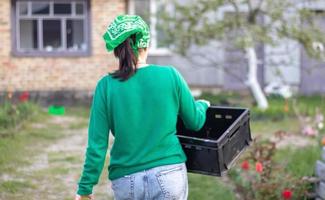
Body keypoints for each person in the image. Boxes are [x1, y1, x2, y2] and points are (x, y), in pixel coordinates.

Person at [75, 15, 210, 200]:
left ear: (117, 50)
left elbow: (97, 144)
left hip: (126, 179)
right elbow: (195, 121)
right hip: (169, 173)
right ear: (146, 45)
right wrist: (202, 105)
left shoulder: (105, 86)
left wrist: (85, 188)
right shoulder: (170, 75)